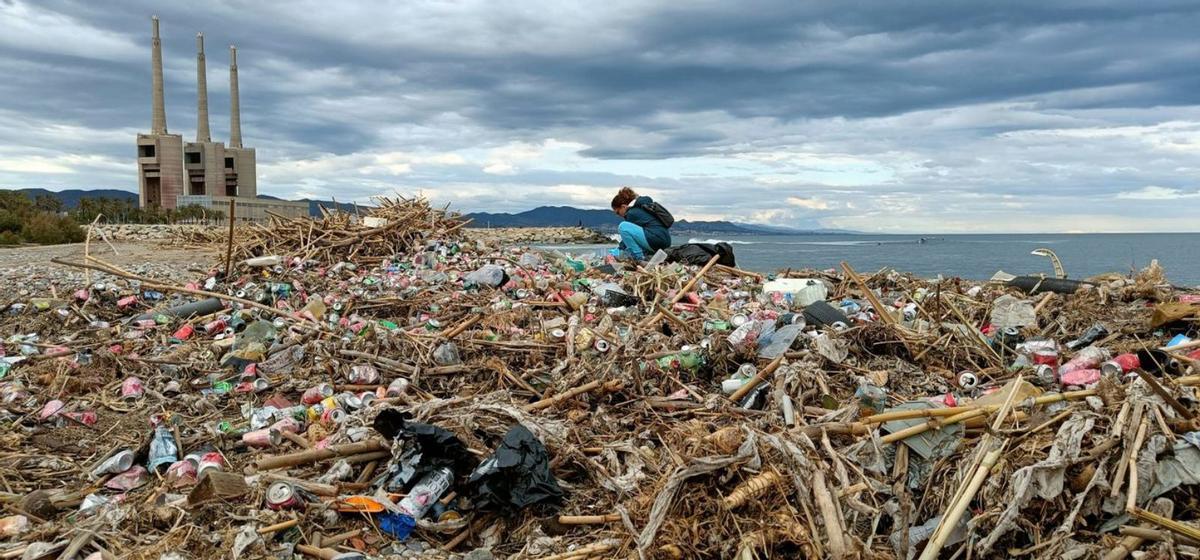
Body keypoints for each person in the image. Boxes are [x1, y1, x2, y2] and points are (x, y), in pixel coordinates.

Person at [610, 187, 672, 261]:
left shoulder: (631, 213)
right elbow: (635, 237)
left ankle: (640, 258)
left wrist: (617, 251)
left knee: (623, 227)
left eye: (617, 212)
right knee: (629, 248)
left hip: (656, 240)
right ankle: (646, 257)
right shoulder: (641, 208)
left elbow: (626, 238)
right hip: (664, 242)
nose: (618, 215)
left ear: (623, 206)